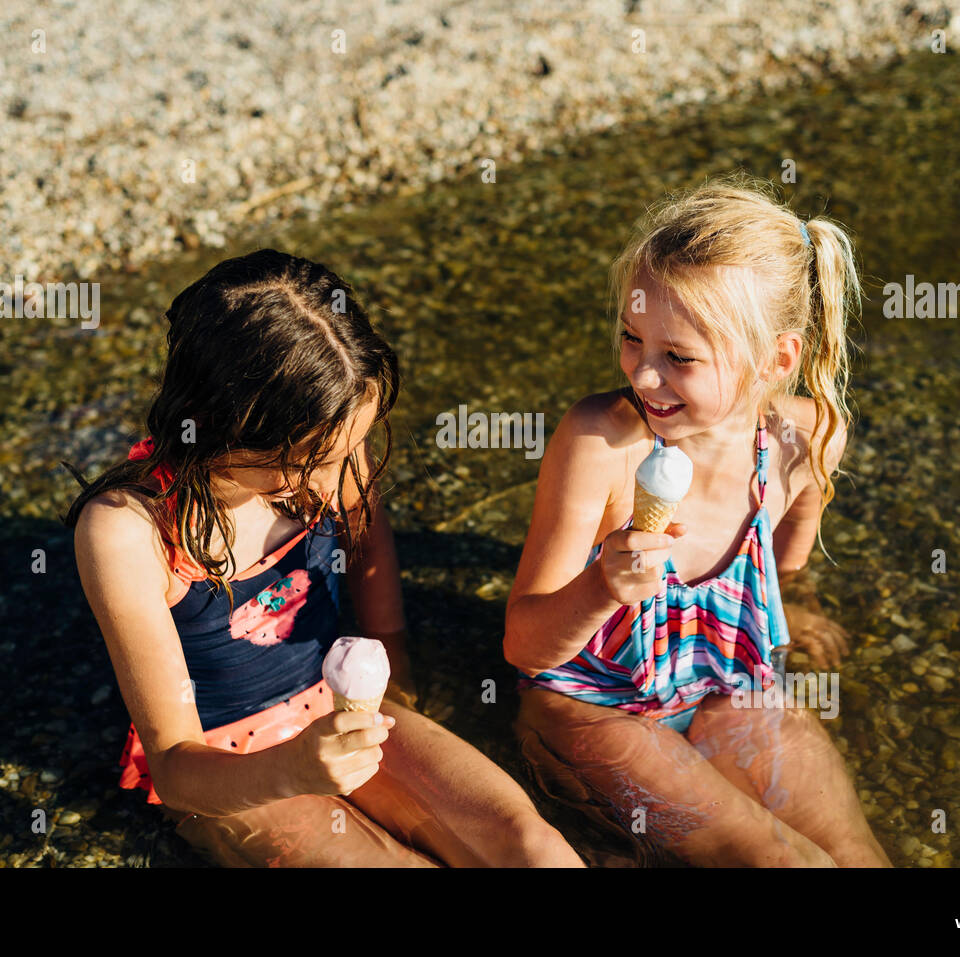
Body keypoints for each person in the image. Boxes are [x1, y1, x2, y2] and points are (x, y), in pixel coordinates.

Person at [66, 249, 582, 867]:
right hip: (225, 762)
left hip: (336, 700)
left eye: (351, 450)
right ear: (223, 422)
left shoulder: (329, 437)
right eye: (311, 460)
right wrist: (291, 770)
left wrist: (393, 654)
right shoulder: (129, 533)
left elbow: (369, 544)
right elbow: (176, 769)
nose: (338, 478)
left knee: (533, 847)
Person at [503, 172, 891, 867]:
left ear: (777, 359)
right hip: (595, 704)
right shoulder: (602, 444)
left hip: (725, 683)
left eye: (678, 357)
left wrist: (792, 598)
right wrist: (603, 587)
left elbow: (802, 511)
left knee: (850, 856)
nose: (643, 375)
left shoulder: (807, 435)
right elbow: (525, 645)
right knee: (773, 858)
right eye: (631, 337)